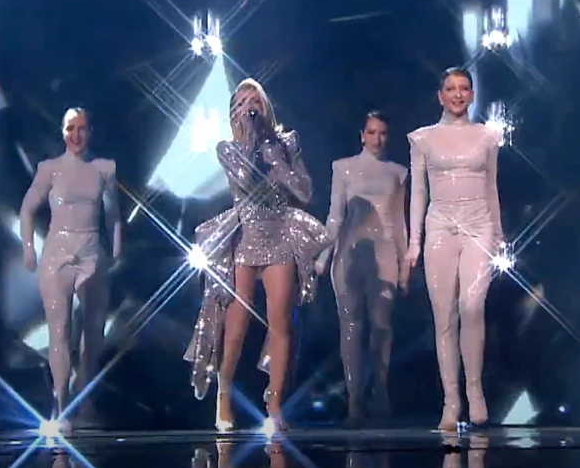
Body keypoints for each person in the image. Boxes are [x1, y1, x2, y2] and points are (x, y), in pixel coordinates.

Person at [184, 78, 329, 433]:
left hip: (279, 233)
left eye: (256, 101)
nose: (250, 107)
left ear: (266, 107)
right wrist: (253, 143)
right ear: (234, 111)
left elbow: (305, 191)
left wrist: (278, 160)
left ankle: (275, 403)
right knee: (236, 325)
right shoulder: (227, 148)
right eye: (243, 102)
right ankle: (223, 392)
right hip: (246, 237)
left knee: (281, 322)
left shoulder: (286, 143)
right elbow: (246, 180)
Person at [404, 67, 503, 431]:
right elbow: (418, 192)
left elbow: (492, 186)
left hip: (479, 225)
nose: (458, 94)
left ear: (472, 95)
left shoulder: (487, 136)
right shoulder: (422, 139)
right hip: (440, 227)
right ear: (440, 95)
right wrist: (414, 241)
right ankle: (451, 400)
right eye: (451, 88)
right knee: (445, 316)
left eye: (464, 88)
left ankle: (475, 390)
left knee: (472, 307)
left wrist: (498, 233)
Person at [19, 107, 120, 433]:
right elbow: (27, 210)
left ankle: (85, 396)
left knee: (93, 331)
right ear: (62, 132)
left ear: (90, 131)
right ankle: (61, 404)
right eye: (70, 128)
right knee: (59, 329)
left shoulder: (104, 169)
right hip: (57, 251)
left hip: (91, 250)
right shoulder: (49, 169)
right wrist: (28, 248)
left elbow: (112, 215)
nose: (76, 135)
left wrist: (116, 248)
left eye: (82, 128)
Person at [315, 110, 409, 426]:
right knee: (351, 327)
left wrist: (405, 264)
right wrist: (322, 257)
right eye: (371, 132)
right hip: (349, 254)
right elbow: (335, 216)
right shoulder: (342, 168)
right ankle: (354, 399)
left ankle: (380, 390)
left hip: (384, 254)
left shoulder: (398, 172)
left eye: (382, 133)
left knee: (382, 326)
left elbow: (399, 222)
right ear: (362, 135)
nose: (377, 139)